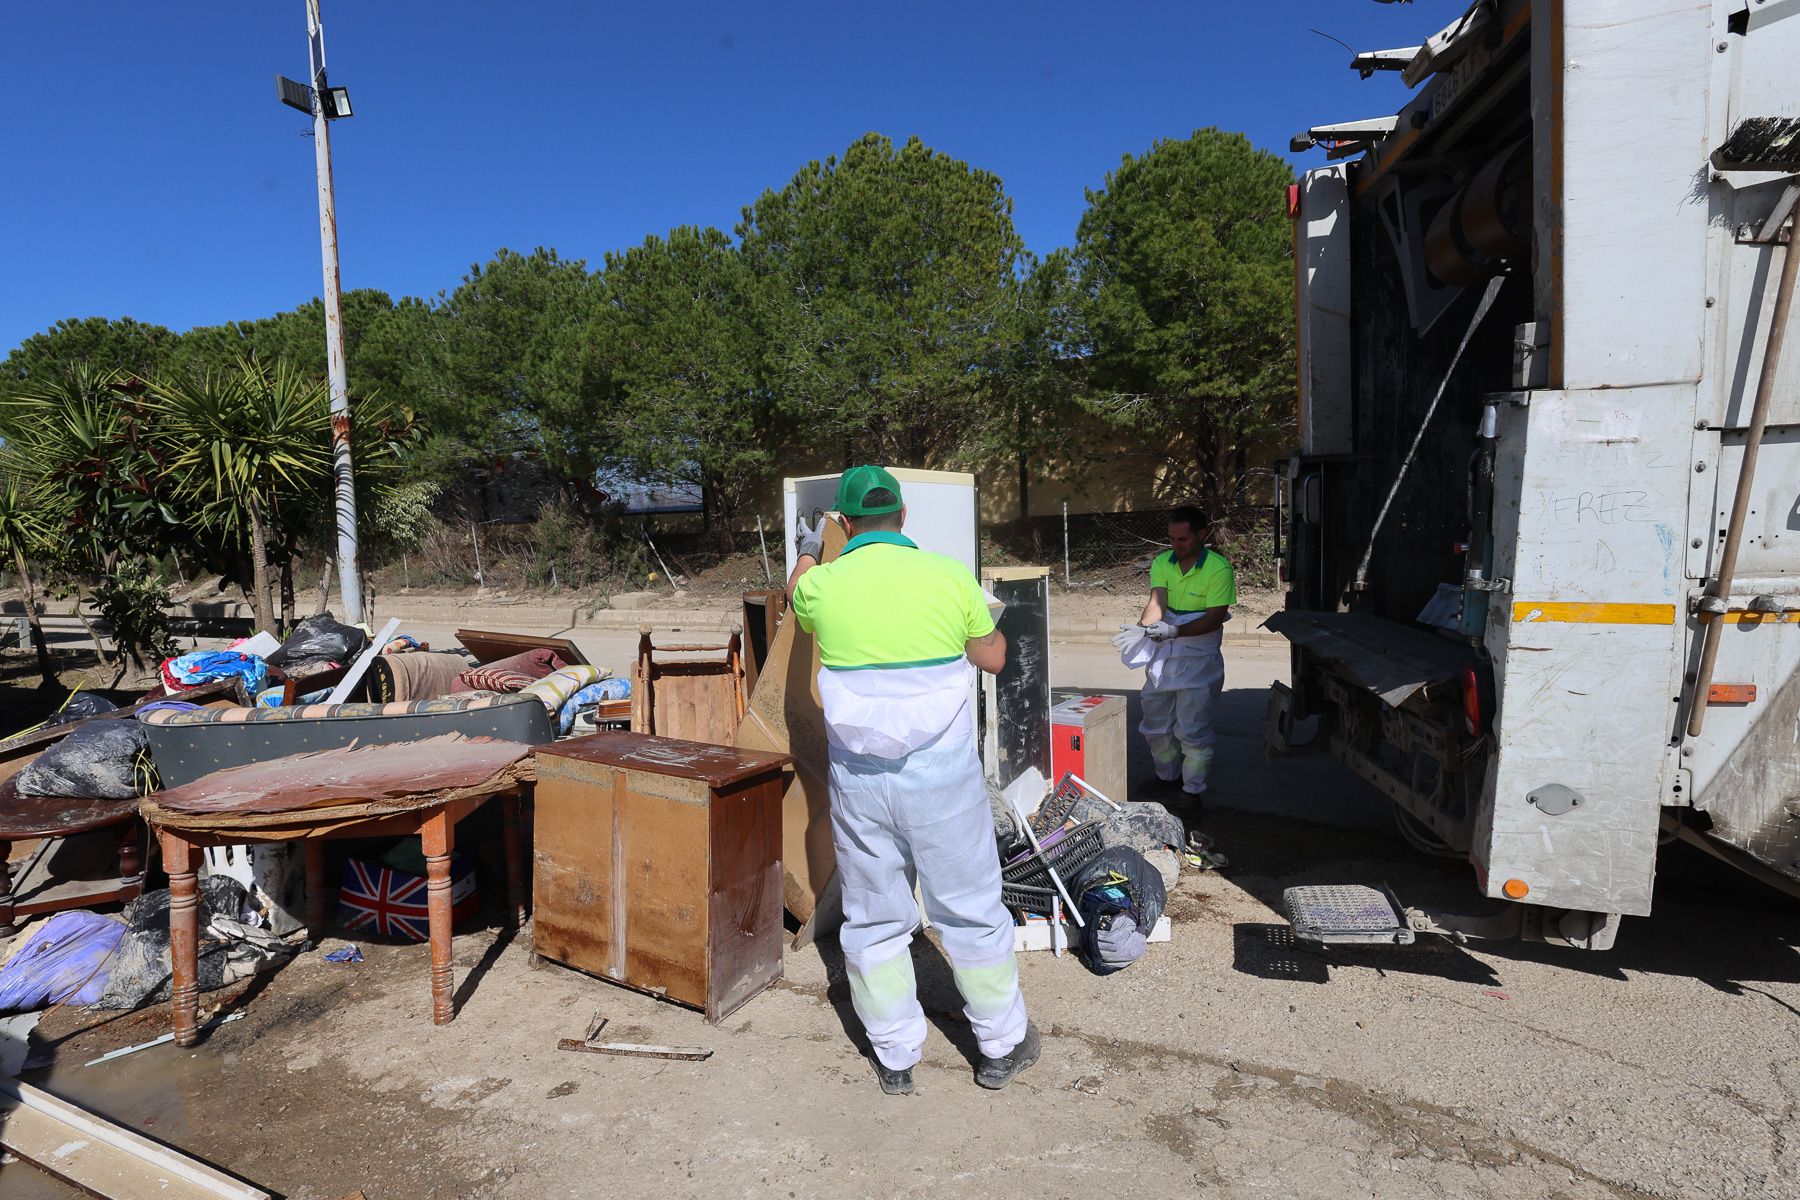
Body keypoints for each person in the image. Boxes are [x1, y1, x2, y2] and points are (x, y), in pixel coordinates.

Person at [788, 465, 1038, 1096]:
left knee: (873, 918)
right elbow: (994, 657)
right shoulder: (949, 575)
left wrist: (817, 547)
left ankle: (896, 1056)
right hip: (943, 779)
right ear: (903, 516)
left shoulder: (825, 584)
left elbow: (796, 592)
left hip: (861, 782)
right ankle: (1000, 1047)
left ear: (846, 524)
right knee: (971, 911)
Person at [1117, 505, 1236, 801]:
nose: (1175, 545)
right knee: (1155, 726)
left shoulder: (1219, 568)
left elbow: (1213, 617)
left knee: (1192, 730)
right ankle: (1167, 777)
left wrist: (1175, 631)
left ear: (1201, 535)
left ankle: (1193, 790)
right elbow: (1157, 603)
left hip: (1199, 664)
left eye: (1182, 539)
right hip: (1165, 659)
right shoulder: (1163, 563)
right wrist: (1142, 628)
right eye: (1171, 538)